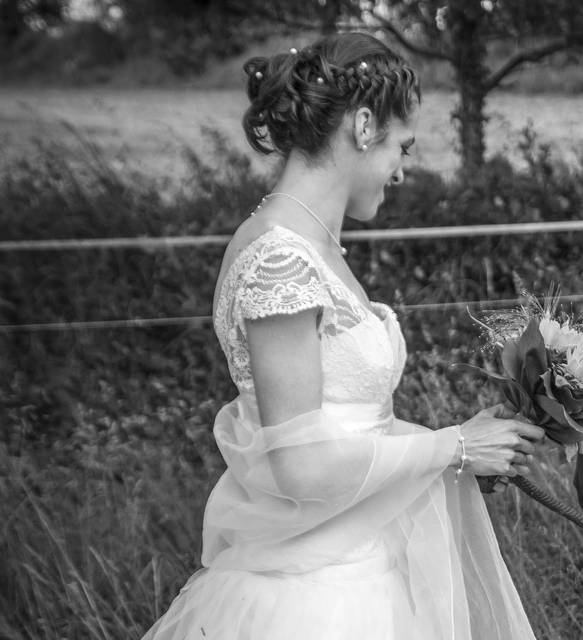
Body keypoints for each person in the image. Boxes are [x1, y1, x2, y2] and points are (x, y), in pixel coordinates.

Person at [143, 32, 544, 640]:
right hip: (310, 601)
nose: (403, 171)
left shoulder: (314, 249)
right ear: (363, 126)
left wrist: (472, 443)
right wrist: (453, 446)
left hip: (361, 566)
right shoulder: (279, 259)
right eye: (401, 148)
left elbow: (352, 428)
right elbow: (300, 466)